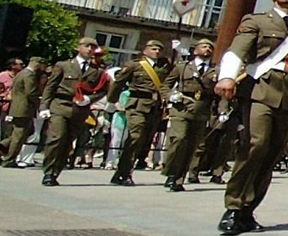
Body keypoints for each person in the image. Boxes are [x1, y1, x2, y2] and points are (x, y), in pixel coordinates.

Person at [213, 0, 288, 235]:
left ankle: (248, 210)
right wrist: (227, 76)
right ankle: (233, 207)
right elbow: (237, 50)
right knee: (255, 145)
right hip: (261, 89)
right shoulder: (257, 21)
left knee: (273, 152)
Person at [39, 37, 107, 186]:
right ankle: (48, 172)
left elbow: (103, 90)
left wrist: (90, 99)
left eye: (93, 47)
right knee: (56, 138)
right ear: (78, 47)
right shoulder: (63, 65)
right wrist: (44, 106)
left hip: (79, 110)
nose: (90, 49)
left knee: (68, 142)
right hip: (61, 105)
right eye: (87, 46)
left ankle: (56, 171)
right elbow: (51, 86)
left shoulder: (97, 71)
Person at [106, 40, 170, 186]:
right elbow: (119, 82)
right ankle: (126, 173)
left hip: (155, 107)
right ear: (145, 50)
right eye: (153, 49)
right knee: (135, 136)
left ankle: (120, 173)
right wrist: (112, 101)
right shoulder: (134, 65)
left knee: (143, 140)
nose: (157, 52)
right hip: (137, 105)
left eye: (160, 49)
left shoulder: (163, 66)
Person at [161, 39, 218, 191]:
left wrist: (221, 110)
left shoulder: (215, 71)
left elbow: (219, 94)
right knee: (179, 140)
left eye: (210, 47)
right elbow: (165, 85)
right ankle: (171, 172)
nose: (207, 49)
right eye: (204, 46)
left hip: (201, 110)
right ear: (195, 51)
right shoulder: (182, 67)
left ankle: (178, 179)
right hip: (182, 107)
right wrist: (169, 96)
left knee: (191, 146)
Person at [0, 57, 42, 167]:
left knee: (28, 131)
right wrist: (38, 103)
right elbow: (31, 92)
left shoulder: (20, 74)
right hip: (24, 108)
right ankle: (9, 159)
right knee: (19, 135)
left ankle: (3, 145)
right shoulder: (29, 75)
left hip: (17, 107)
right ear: (37, 64)